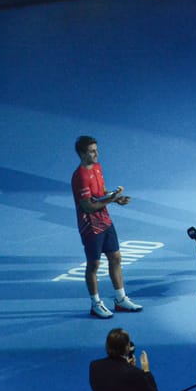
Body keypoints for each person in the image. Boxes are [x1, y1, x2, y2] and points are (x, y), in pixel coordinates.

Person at [72, 136, 143, 318]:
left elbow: (101, 191)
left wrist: (116, 198)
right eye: (92, 151)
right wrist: (112, 200)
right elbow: (88, 206)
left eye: (96, 149)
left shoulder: (97, 167)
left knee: (116, 258)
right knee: (94, 265)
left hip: (105, 221)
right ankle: (96, 304)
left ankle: (120, 299)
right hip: (90, 226)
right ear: (82, 154)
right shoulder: (80, 177)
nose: (97, 154)